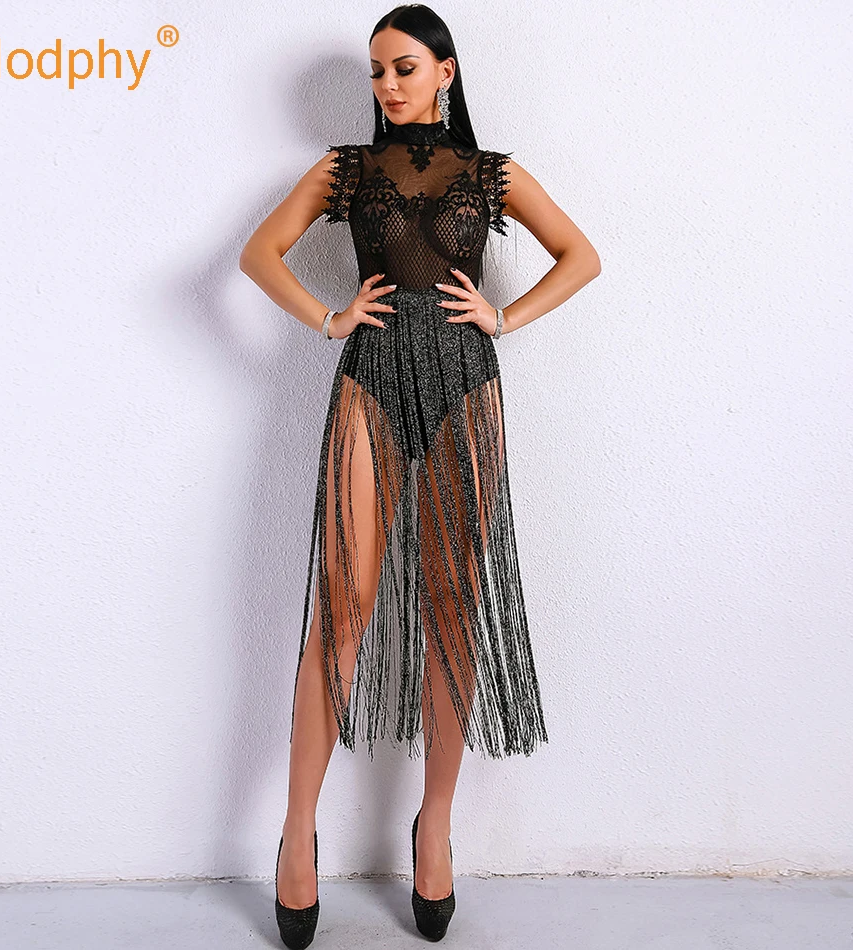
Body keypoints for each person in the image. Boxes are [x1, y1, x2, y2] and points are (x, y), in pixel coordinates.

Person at [239, 5, 601, 946]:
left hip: (463, 388)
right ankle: (296, 831)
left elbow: (583, 257)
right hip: (369, 383)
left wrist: (505, 318)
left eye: (403, 67)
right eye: (376, 71)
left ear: (446, 71)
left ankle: (433, 826)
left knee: (453, 605)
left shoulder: (492, 174)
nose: (387, 85)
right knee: (344, 606)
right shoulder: (345, 170)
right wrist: (327, 318)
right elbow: (257, 255)